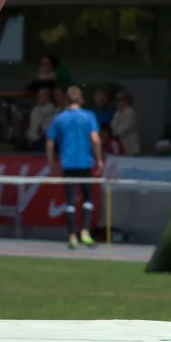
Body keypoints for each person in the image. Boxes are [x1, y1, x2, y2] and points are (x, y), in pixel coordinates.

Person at [46, 86, 103, 250]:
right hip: (85, 163)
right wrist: (99, 159)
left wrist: (51, 164)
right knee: (87, 198)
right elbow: (96, 139)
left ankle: (72, 235)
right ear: (81, 100)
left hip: (68, 163)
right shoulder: (88, 116)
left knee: (70, 200)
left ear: (66, 100)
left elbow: (50, 142)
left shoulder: (59, 118)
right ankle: (85, 231)